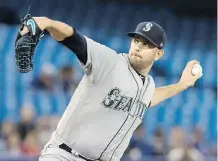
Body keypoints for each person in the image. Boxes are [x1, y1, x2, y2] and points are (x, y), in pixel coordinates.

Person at [19, 17, 203, 161]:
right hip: (65, 155)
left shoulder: (148, 86)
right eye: (137, 41)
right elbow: (73, 38)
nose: (138, 47)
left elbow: (150, 98)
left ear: (159, 53)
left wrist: (182, 85)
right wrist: (47, 22)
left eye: (146, 44)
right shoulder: (109, 61)